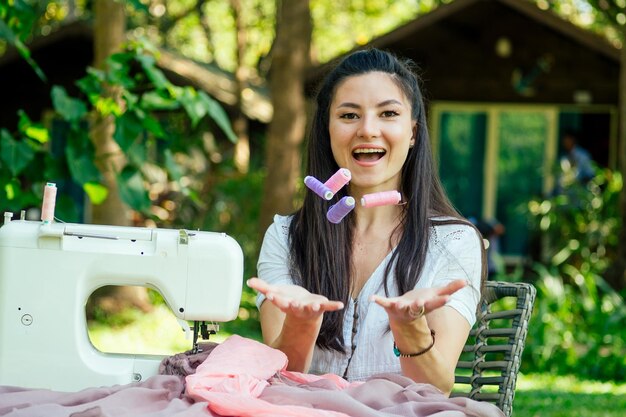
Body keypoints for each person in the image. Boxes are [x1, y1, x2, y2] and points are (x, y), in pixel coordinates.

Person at [248, 48, 486, 396]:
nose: (368, 130)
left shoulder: (453, 242)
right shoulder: (286, 236)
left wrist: (410, 326)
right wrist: (301, 322)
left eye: (388, 113)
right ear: (327, 130)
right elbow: (281, 379)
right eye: (349, 116)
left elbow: (437, 388)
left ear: (414, 133)